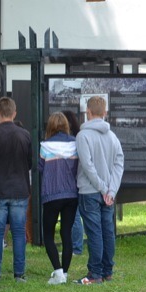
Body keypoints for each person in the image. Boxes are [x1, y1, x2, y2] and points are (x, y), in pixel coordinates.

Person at [0, 97, 32, 282]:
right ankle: (19, 273)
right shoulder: (25, 135)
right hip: (19, 189)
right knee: (18, 232)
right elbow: (30, 163)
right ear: (14, 113)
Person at [75, 96, 124, 285]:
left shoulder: (83, 136)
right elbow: (119, 164)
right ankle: (107, 271)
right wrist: (111, 190)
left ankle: (95, 273)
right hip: (108, 194)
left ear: (88, 112)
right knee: (107, 232)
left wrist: (104, 188)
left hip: (89, 191)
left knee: (95, 232)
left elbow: (87, 166)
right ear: (105, 113)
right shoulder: (113, 137)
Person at [38, 113, 79, 285]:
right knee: (66, 233)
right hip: (71, 194)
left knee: (48, 234)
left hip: (51, 194)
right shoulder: (75, 144)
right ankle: (66, 272)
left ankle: (58, 271)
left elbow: (40, 168)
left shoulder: (45, 146)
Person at [61, 110, 85, 257]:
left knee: (74, 216)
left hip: (72, 181)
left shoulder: (73, 140)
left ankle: (76, 247)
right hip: (74, 180)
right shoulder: (77, 138)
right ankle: (74, 246)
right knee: (73, 215)